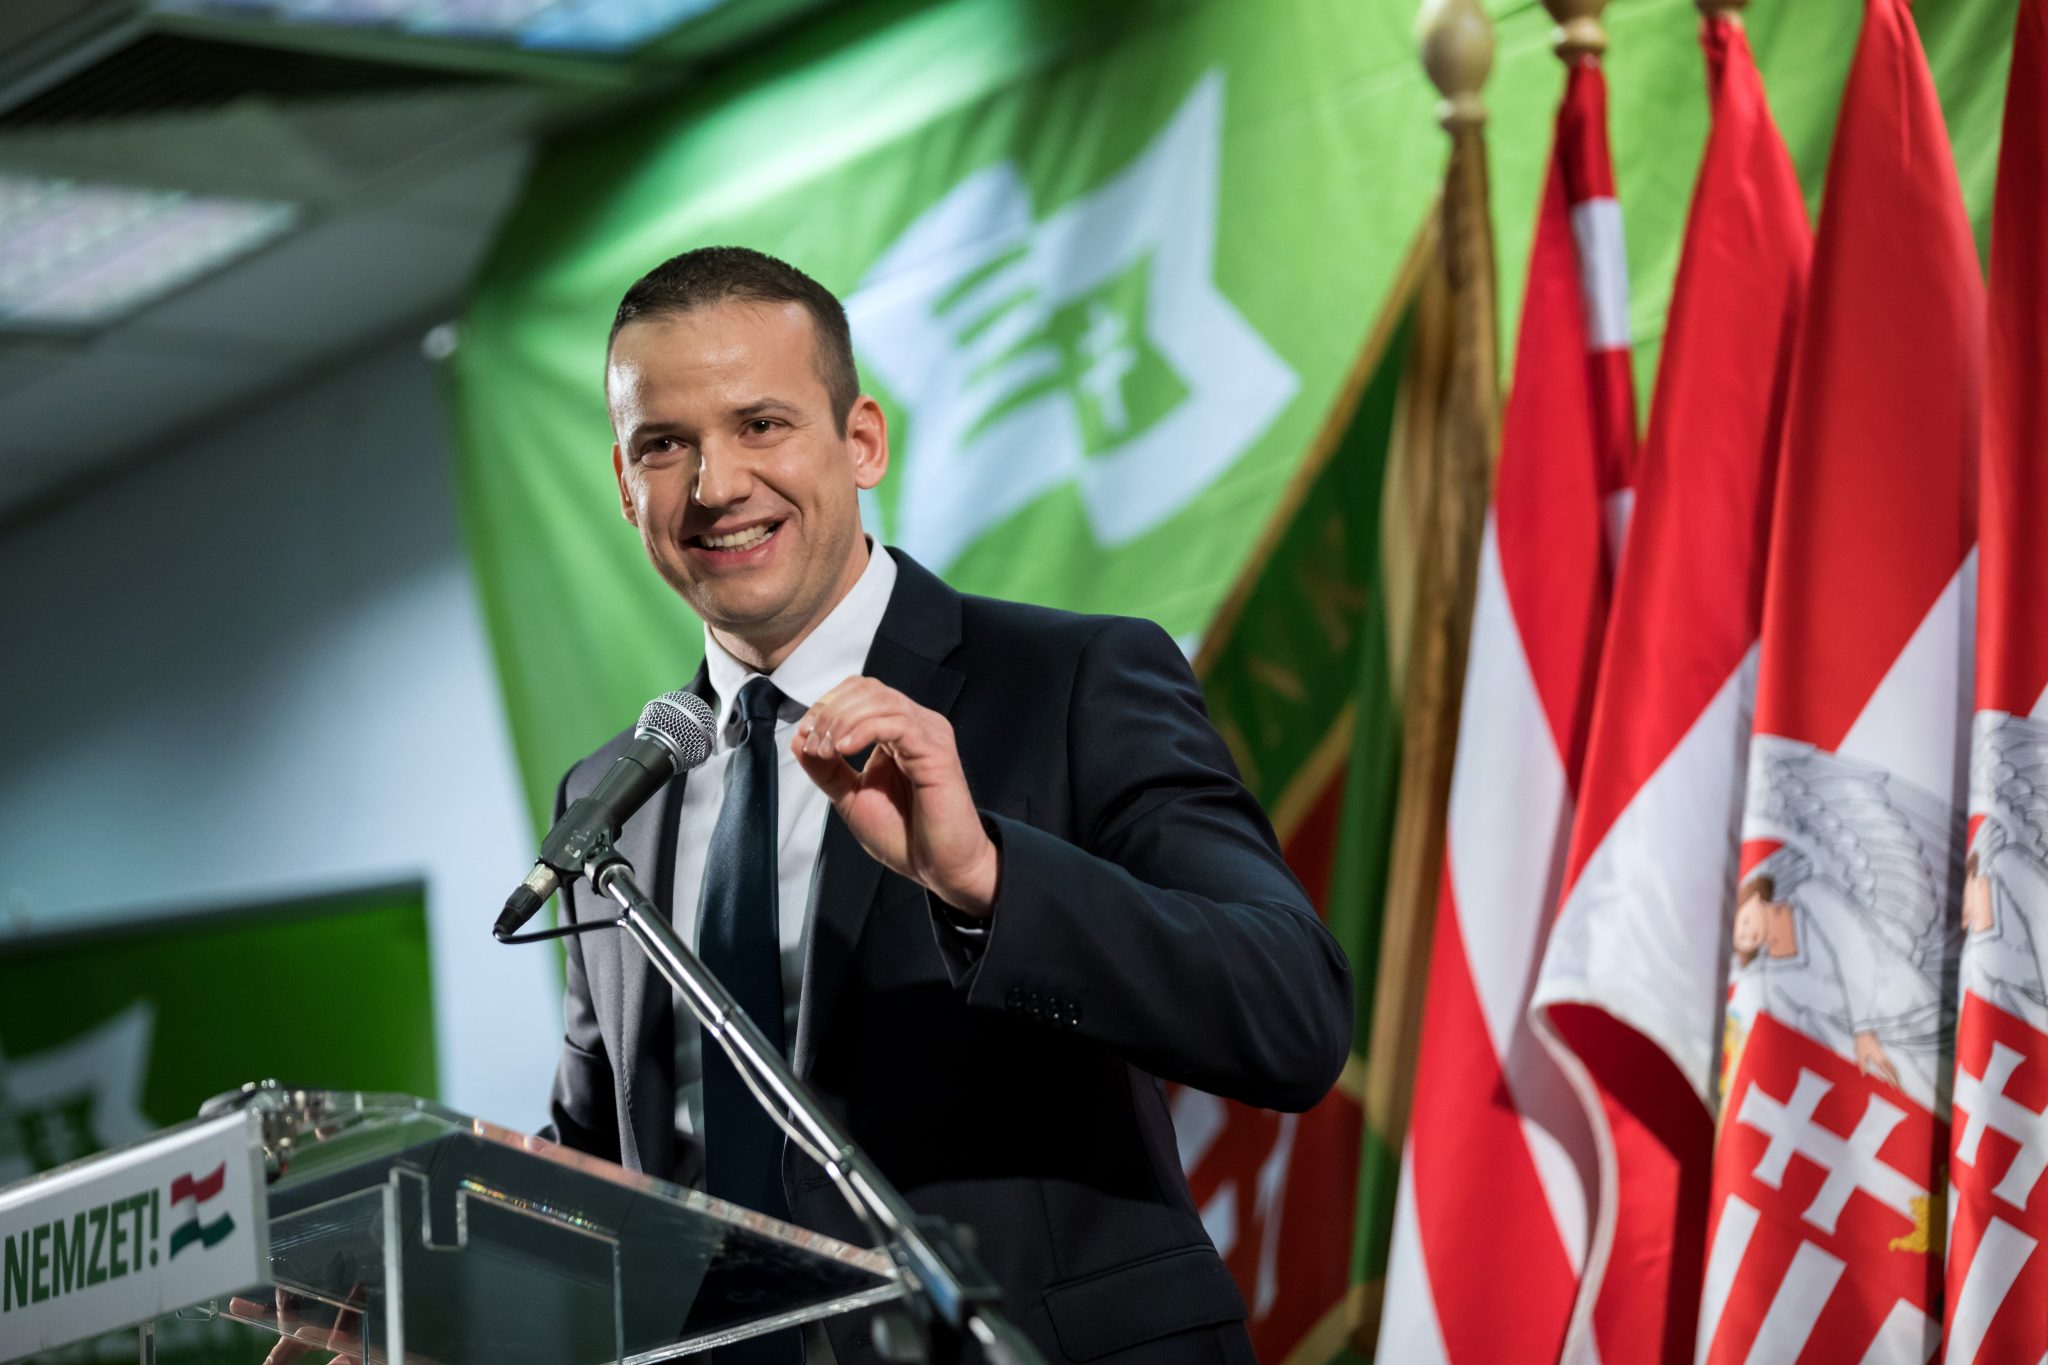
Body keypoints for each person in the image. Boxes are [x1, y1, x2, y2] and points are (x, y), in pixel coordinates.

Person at [543, 246, 1352, 1365]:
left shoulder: (1071, 681)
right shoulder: (613, 796)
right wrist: (411, 1295)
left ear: (862, 441)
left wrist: (986, 881)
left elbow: (1292, 1013)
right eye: (664, 445)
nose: (716, 484)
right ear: (625, 484)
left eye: (761, 424)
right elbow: (603, 1157)